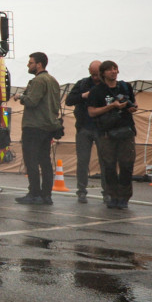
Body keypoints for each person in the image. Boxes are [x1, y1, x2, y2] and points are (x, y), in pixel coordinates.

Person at [87, 61, 137, 209]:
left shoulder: (125, 87)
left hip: (126, 130)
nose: (113, 72)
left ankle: (124, 197)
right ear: (103, 73)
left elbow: (132, 104)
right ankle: (113, 196)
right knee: (109, 166)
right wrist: (112, 106)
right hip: (106, 133)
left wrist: (131, 108)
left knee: (126, 165)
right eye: (109, 70)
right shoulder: (97, 91)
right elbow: (91, 112)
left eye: (115, 69)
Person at [14, 52, 61, 205]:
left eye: (31, 62)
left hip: (34, 126)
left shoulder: (38, 81)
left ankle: (34, 193)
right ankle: (46, 195)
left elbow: (32, 101)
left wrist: (20, 97)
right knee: (45, 161)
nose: (28, 65)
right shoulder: (53, 81)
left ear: (39, 64)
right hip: (48, 126)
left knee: (31, 160)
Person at [64, 60, 104, 204]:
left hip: (102, 129)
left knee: (105, 161)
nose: (95, 78)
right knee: (82, 161)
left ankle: (107, 192)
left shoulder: (108, 86)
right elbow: (68, 100)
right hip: (84, 127)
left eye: (97, 74)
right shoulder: (82, 84)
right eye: (92, 74)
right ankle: (81, 191)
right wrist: (83, 95)